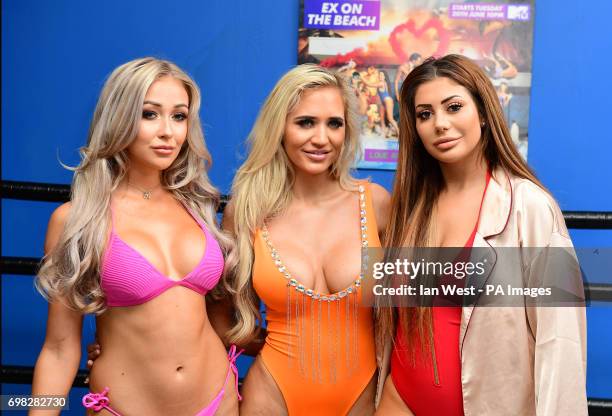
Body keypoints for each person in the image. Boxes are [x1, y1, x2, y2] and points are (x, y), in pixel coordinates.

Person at [374, 55, 587, 415]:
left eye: (454, 107)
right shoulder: (410, 207)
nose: (440, 124)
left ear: (484, 112)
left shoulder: (530, 206)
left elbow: (560, 339)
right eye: (424, 114)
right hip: (399, 401)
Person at [31, 57, 240, 416]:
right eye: (149, 114)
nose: (168, 132)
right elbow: (59, 350)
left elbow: (211, 315)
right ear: (119, 118)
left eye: (179, 116)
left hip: (218, 401)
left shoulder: (201, 207)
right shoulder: (78, 221)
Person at [224, 64, 390, 415]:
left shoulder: (376, 203)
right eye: (305, 122)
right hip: (271, 395)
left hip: (362, 396)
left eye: (334, 123)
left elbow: (415, 311)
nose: (321, 138)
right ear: (279, 128)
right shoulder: (248, 211)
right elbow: (216, 311)